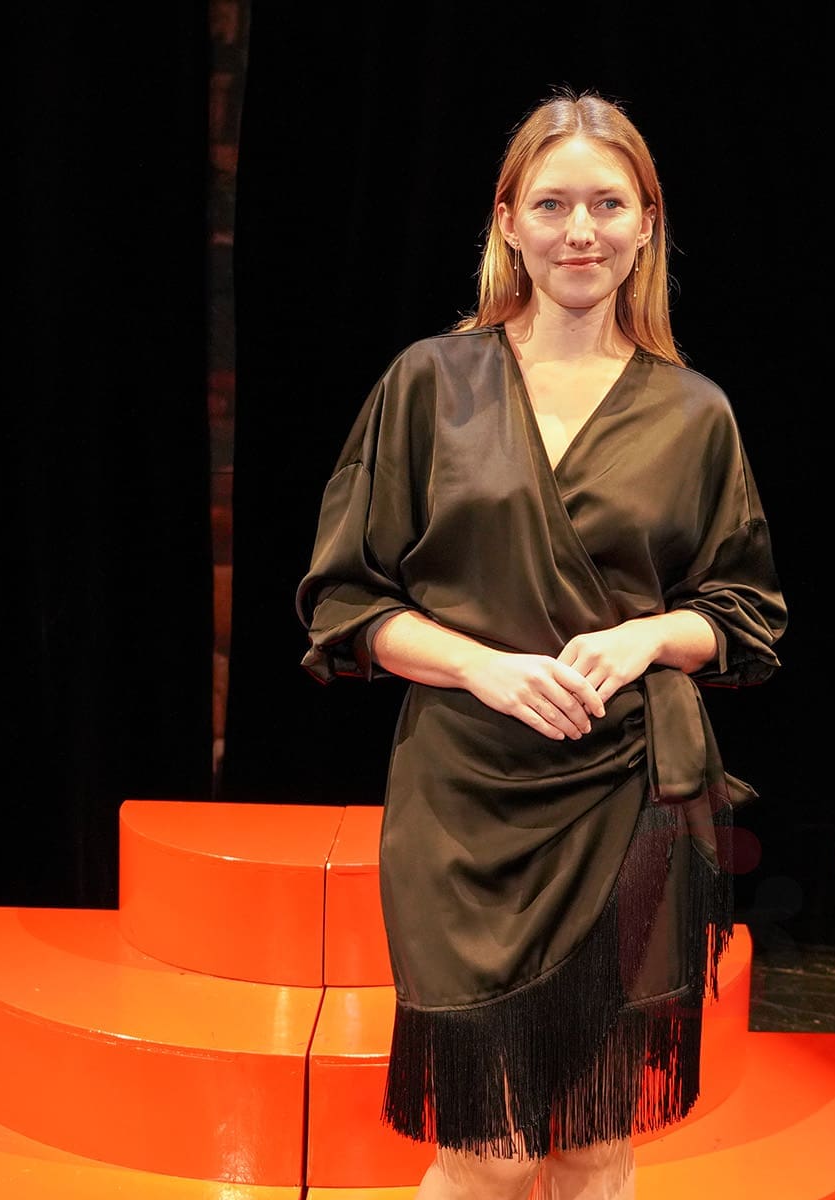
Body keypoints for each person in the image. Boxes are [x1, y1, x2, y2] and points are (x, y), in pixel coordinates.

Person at [294, 88, 787, 1200]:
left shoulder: (694, 413)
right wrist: (481, 665)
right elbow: (344, 602)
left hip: (630, 798)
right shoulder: (431, 383)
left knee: (595, 1138)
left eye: (607, 205)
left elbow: (746, 615)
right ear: (508, 221)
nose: (580, 232)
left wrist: (648, 636)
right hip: (464, 804)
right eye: (553, 204)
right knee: (489, 1145)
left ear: (646, 224)